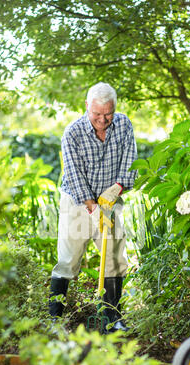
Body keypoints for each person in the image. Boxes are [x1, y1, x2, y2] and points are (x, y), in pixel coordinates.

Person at [49, 82, 138, 332]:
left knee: (114, 258)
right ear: (86, 106)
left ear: (115, 108)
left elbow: (130, 164)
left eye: (107, 114)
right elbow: (75, 175)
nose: (102, 120)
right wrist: (92, 206)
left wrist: (116, 190)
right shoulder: (72, 133)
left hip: (111, 199)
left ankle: (113, 319)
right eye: (97, 114)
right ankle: (55, 320)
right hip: (77, 203)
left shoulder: (123, 125)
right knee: (68, 259)